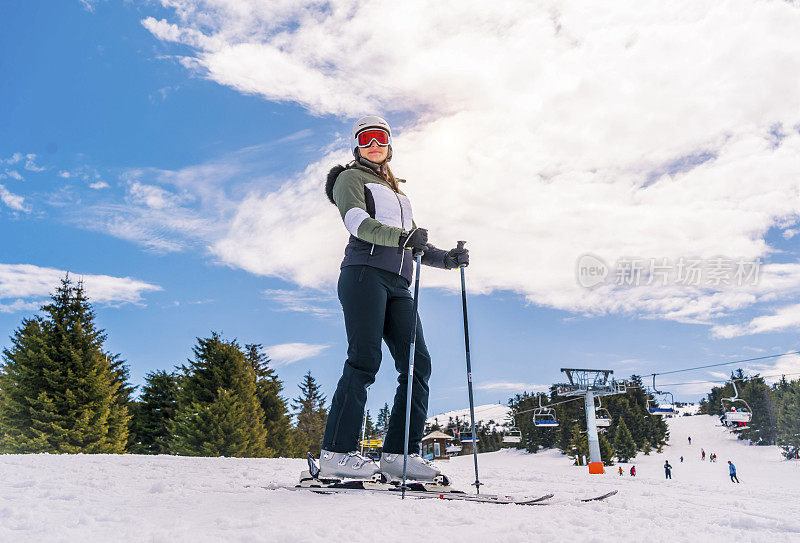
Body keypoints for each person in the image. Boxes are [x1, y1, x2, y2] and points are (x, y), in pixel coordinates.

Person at [319, 116, 469, 482]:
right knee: (364, 360)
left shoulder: (399, 192)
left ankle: (399, 454)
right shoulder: (350, 179)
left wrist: (445, 258)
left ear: (389, 145)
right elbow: (357, 223)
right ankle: (336, 453)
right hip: (362, 275)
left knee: (418, 364)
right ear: (357, 146)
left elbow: (413, 242)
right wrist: (404, 238)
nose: (374, 144)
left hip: (399, 284)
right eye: (366, 139)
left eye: (380, 138)